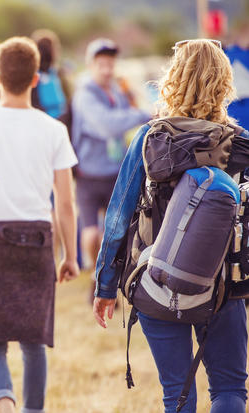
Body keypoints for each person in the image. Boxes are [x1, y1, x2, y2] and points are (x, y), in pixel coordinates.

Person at [93, 39, 248, 413]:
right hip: (223, 286)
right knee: (229, 390)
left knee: (177, 394)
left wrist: (105, 285)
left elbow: (118, 218)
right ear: (224, 82)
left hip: (155, 284)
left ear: (173, 78)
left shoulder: (151, 138)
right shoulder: (241, 144)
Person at [0, 36, 79, 413]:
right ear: (37, 79)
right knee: (34, 343)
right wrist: (70, 255)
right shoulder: (53, 129)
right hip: (37, 238)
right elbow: (65, 202)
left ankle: (3, 403)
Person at [71, 38, 151, 300]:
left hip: (115, 170)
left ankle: (107, 277)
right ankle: (96, 278)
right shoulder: (85, 94)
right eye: (101, 64)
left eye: (110, 64)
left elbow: (124, 115)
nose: (107, 69)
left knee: (116, 227)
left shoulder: (115, 90)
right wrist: (143, 116)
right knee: (92, 231)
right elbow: (107, 126)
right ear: (91, 65)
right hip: (89, 173)